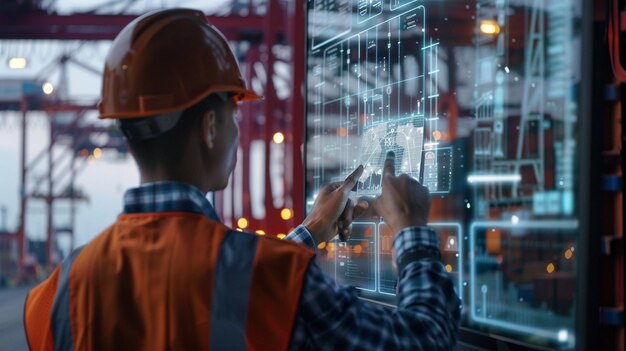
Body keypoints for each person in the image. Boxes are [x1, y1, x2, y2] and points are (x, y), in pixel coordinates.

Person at [23, 8, 461, 351]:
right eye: (234, 112)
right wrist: (412, 231)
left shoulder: (54, 295)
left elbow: (225, 290)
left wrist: (311, 231)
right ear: (211, 128)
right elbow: (422, 340)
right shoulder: (272, 280)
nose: (237, 129)